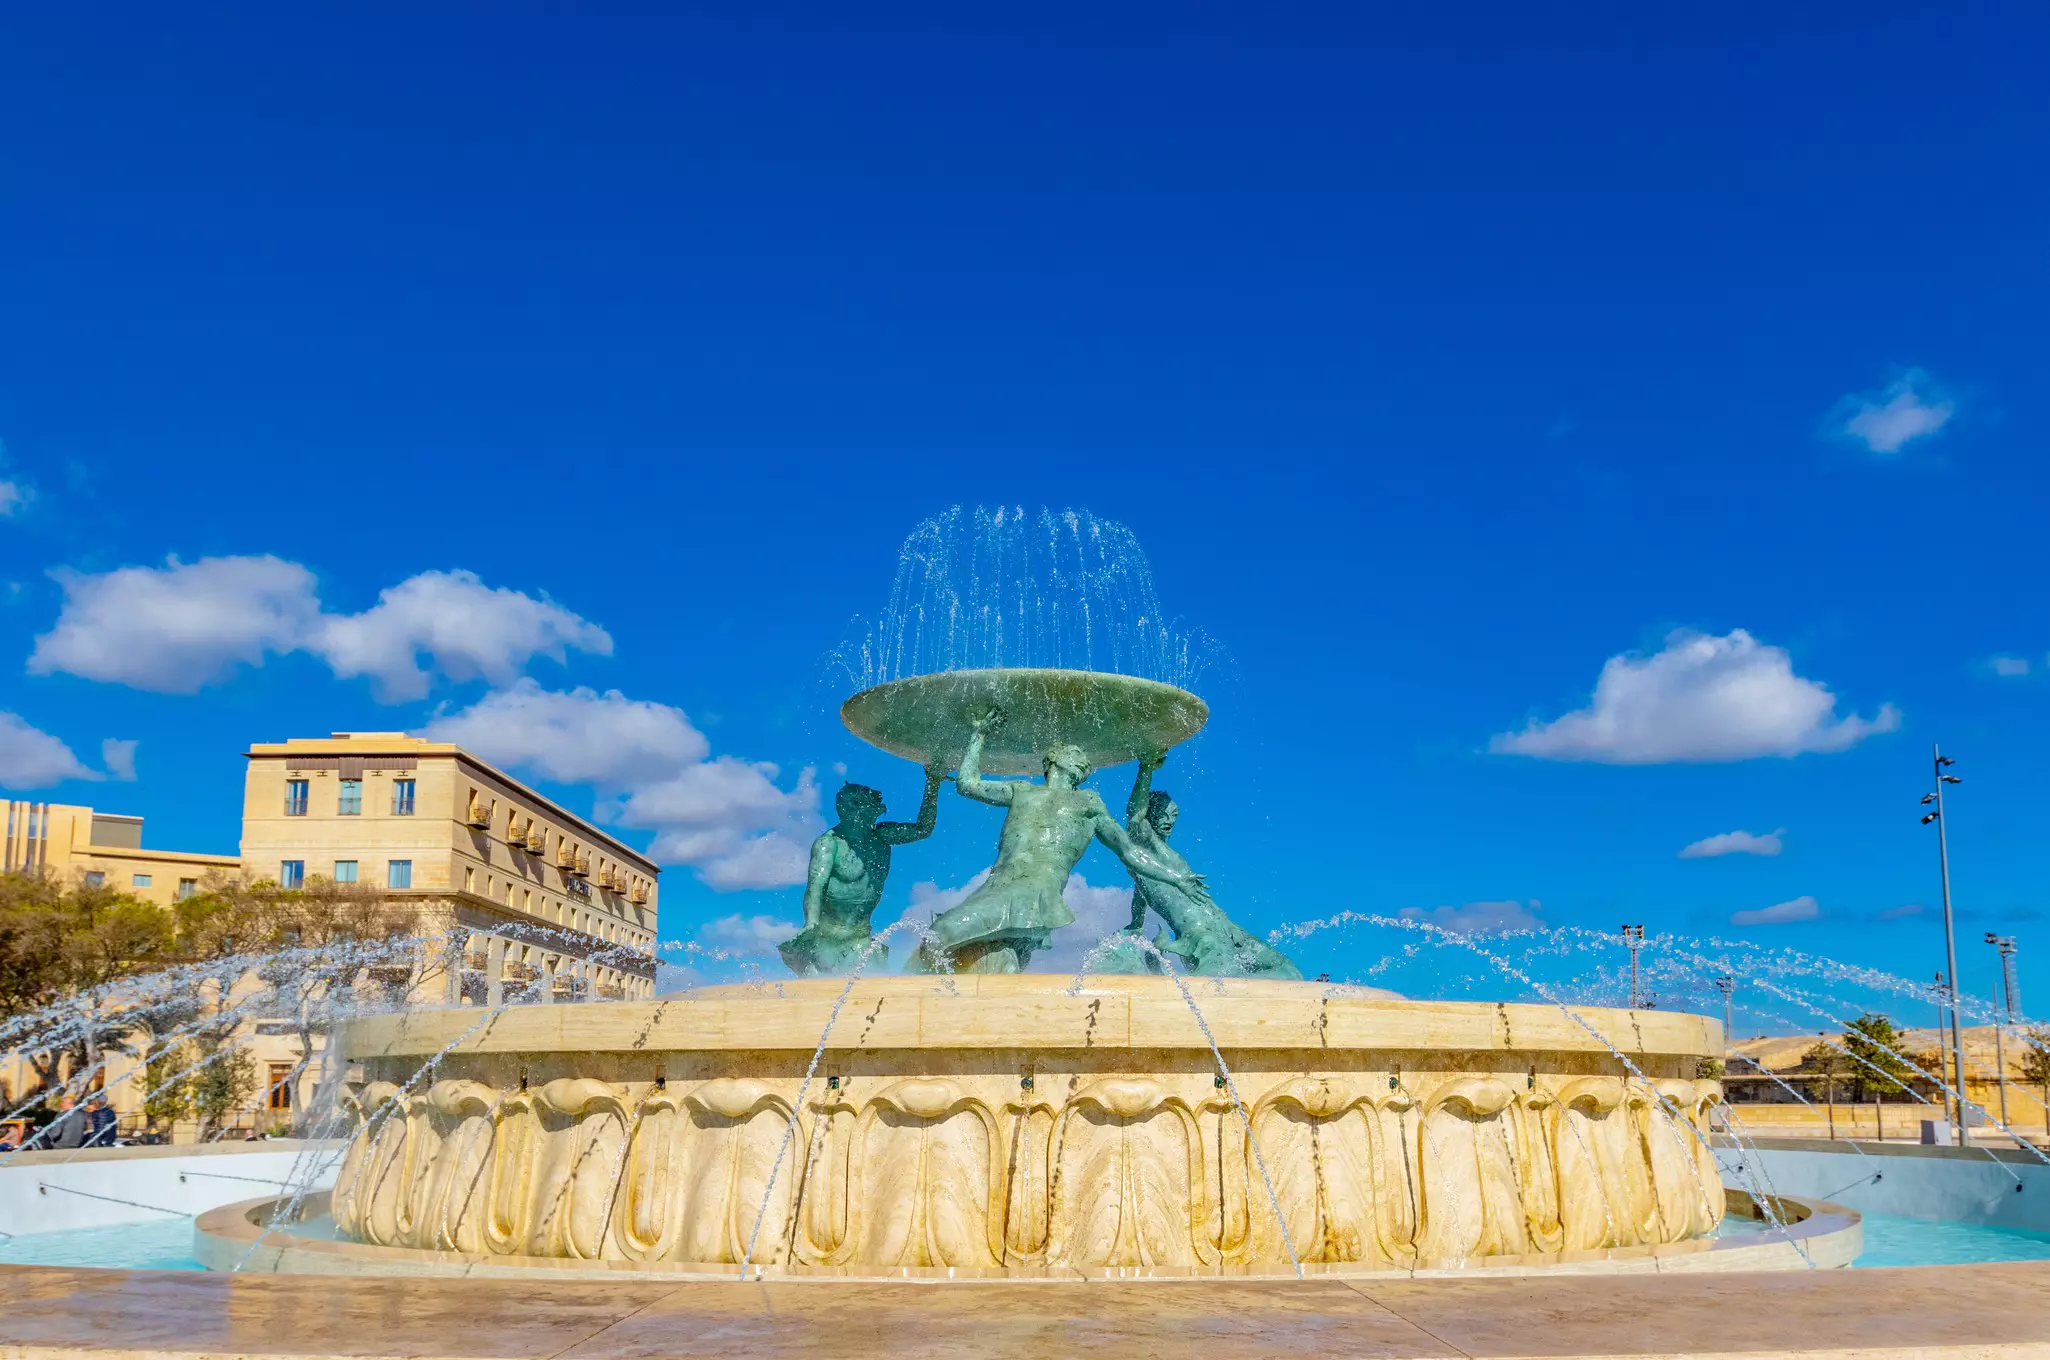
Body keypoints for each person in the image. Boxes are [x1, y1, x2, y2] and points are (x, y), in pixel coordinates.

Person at [912, 708, 1211, 974]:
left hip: (1032, 895)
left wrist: (1177, 878)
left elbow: (1129, 851)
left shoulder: (1088, 803)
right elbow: (967, 784)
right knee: (961, 957)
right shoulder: (1021, 791)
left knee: (939, 935)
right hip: (994, 890)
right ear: (1054, 758)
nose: (1086, 762)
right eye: (1078, 754)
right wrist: (979, 734)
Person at [1120, 752, 1301, 979]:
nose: (1169, 820)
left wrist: (1137, 920)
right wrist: (1145, 768)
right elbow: (1134, 815)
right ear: (1150, 814)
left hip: (1227, 928)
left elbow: (1142, 893)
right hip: (1200, 938)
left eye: (1173, 814)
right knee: (1221, 982)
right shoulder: (1143, 844)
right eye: (1162, 814)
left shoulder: (1161, 858)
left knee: (1288, 970)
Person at [779, 766, 946, 975]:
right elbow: (815, 886)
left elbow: (923, 829)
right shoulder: (829, 845)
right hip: (826, 940)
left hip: (862, 940)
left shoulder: (882, 836)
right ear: (854, 808)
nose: (879, 807)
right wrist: (811, 922)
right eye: (872, 803)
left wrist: (933, 784)